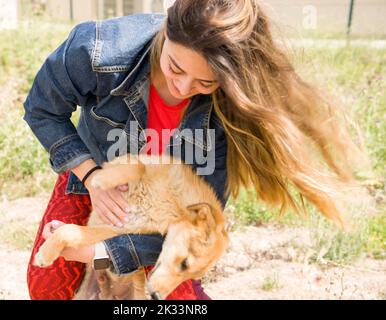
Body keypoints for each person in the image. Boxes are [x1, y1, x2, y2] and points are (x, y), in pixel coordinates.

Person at [23, 0, 368, 300]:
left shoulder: (224, 111)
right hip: (95, 177)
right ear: (166, 30)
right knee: (47, 285)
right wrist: (92, 176)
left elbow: (194, 223)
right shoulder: (100, 50)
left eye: (206, 82)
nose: (184, 88)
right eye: (174, 66)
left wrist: (98, 253)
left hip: (162, 216)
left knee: (170, 294)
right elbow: (41, 109)